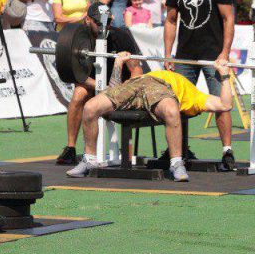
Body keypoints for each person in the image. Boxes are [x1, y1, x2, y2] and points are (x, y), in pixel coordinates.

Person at [67, 56, 234, 182]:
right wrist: (118, 62)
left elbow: (225, 105)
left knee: (171, 111)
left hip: (160, 89)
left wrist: (224, 75)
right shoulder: (144, 76)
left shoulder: (196, 98)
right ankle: (89, 160)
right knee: (90, 108)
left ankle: (176, 164)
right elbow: (113, 89)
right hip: (139, 83)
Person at [164, 0, 236, 170]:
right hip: (185, 56)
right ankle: (179, 150)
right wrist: (168, 54)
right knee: (176, 105)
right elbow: (171, 20)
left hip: (213, 56)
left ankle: (227, 152)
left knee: (222, 104)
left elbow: (228, 19)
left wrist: (224, 53)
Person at [55, 2, 146, 165]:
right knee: (78, 94)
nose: (104, 27)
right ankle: (70, 148)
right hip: (93, 84)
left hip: (120, 86)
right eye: (99, 23)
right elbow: (78, 76)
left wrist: (126, 91)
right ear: (87, 20)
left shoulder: (121, 36)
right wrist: (102, 87)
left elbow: (136, 69)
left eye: (107, 22)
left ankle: (125, 150)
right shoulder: (77, 39)